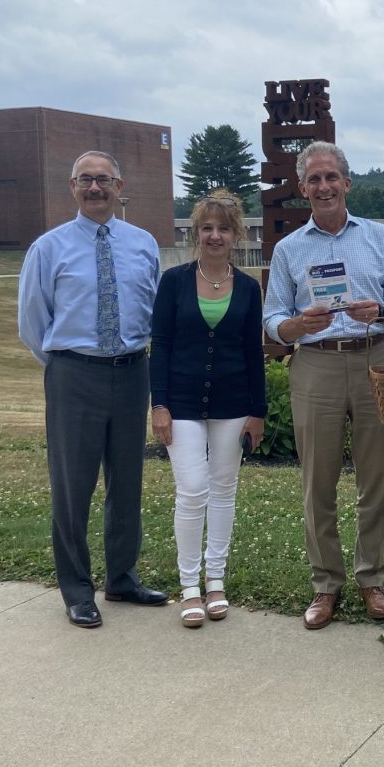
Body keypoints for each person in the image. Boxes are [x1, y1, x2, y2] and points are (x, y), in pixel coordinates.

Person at [263, 141, 384, 630]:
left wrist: (383, 312)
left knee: (377, 479)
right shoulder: (289, 249)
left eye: (332, 177)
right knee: (317, 484)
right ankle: (325, 585)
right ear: (303, 188)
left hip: (375, 355)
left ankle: (371, 578)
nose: (324, 186)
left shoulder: (379, 238)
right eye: (314, 179)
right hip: (316, 365)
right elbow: (272, 319)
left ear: (347, 183)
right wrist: (295, 328)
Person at [18, 151, 166, 628]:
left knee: (127, 482)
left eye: (104, 180)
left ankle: (121, 577)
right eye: (86, 180)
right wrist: (67, 365)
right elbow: (32, 321)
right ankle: (77, 589)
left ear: (120, 186)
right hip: (73, 375)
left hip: (131, 373)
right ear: (72, 188)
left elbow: (152, 311)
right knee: (72, 485)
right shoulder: (49, 248)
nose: (96, 188)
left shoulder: (144, 244)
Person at [149, 190, 267, 628]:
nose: (214, 235)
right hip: (180, 403)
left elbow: (253, 353)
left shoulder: (250, 287)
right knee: (193, 488)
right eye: (206, 228)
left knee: (222, 489)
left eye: (222, 228)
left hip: (234, 403)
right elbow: (159, 344)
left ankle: (215, 580)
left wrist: (258, 410)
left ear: (236, 234)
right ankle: (189, 586)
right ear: (195, 233)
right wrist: (158, 404)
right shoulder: (174, 281)